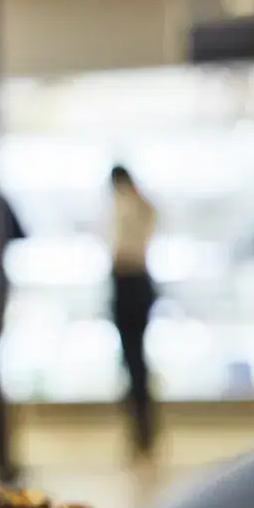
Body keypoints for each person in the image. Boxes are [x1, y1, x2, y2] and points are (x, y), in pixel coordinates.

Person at [108, 164, 158, 460]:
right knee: (134, 359)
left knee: (133, 358)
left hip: (130, 281)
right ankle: (142, 427)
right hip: (136, 282)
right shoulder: (142, 205)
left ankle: (142, 427)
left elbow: (122, 249)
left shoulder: (127, 204)